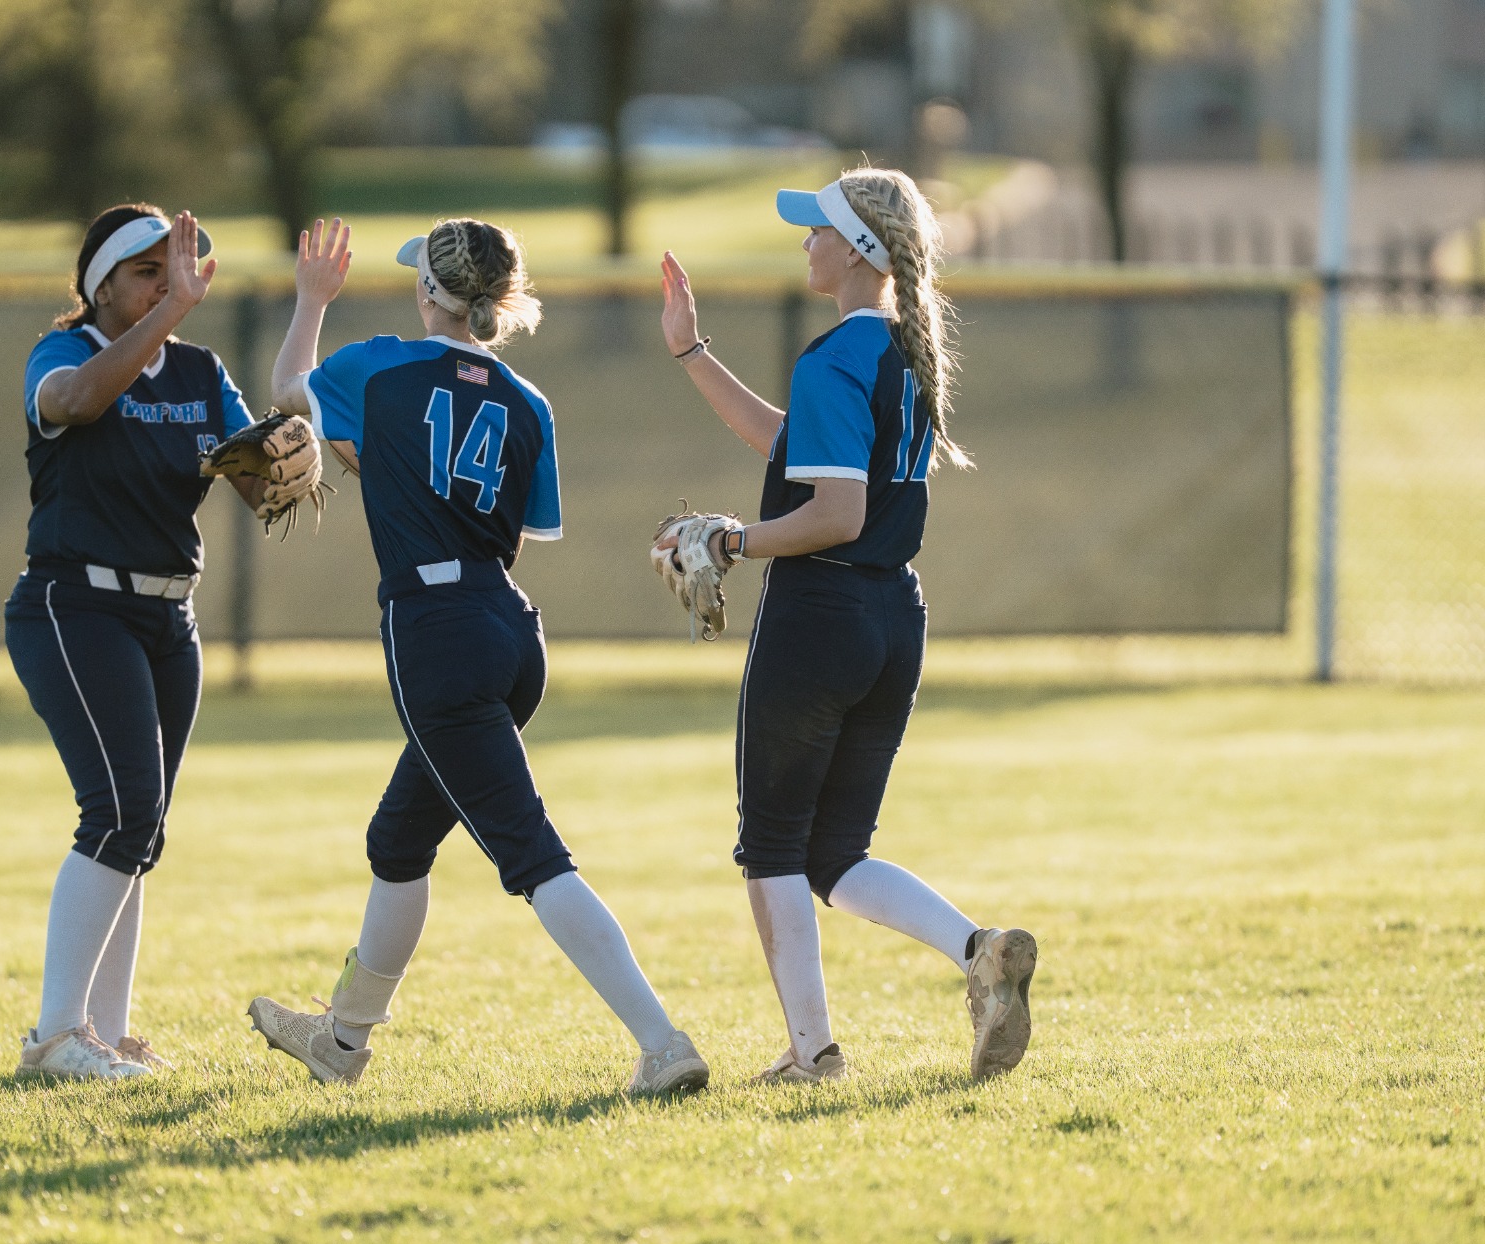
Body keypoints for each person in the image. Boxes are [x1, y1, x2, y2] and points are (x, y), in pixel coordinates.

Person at [245, 217, 709, 1095]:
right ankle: (342, 1042)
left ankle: (662, 1041)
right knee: (398, 839)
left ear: (428, 288)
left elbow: (287, 387)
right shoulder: (529, 400)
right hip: (508, 626)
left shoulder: (378, 364)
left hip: (436, 631)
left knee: (533, 856)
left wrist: (311, 299)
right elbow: (514, 526)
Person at [657, 168, 1037, 1083]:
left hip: (819, 614)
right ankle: (978, 949)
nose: (805, 243)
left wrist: (733, 539)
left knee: (772, 846)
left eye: (817, 229)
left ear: (859, 249)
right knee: (836, 855)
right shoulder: (903, 353)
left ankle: (810, 1051)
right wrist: (691, 350)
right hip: (892, 618)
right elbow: (798, 444)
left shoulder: (835, 357)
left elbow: (833, 513)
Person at [5, 204, 321, 1080]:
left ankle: (102, 1032)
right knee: (120, 813)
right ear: (100, 284)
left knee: (138, 829)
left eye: (174, 268)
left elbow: (254, 489)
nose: (166, 280)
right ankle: (56, 1036)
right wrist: (168, 312)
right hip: (77, 605)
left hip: (167, 617)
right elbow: (71, 403)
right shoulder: (63, 352)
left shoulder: (197, 369)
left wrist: (290, 459)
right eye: (146, 270)